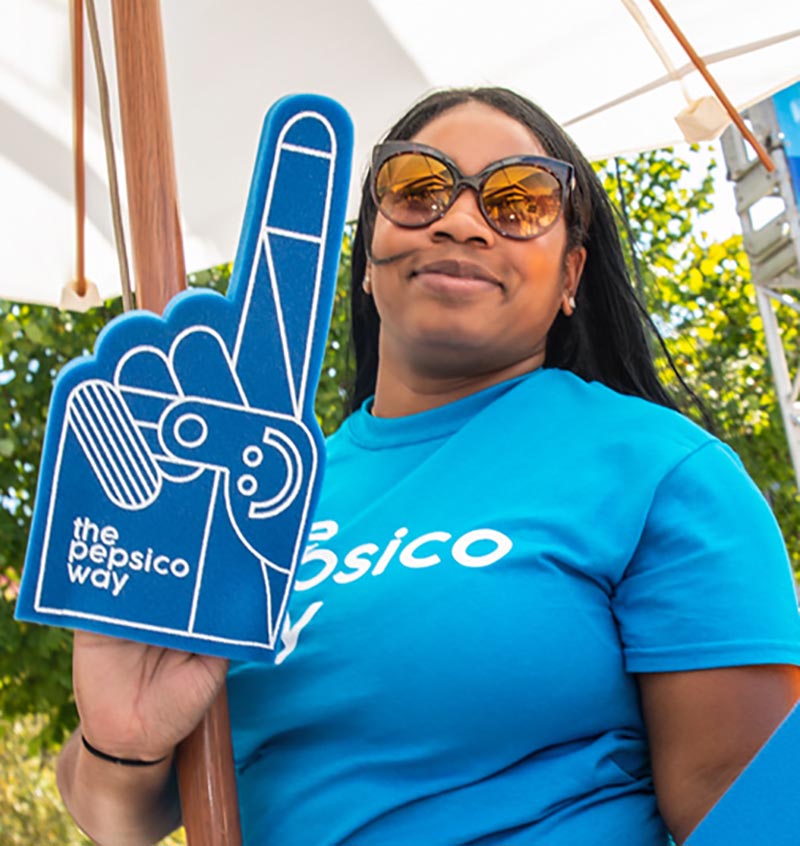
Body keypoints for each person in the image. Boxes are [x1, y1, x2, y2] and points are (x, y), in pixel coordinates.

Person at [57, 87, 800, 846]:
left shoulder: (660, 471)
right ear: (370, 257)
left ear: (571, 274)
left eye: (518, 201)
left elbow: (752, 815)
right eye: (418, 189)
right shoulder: (253, 494)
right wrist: (121, 737)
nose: (459, 219)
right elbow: (120, 816)